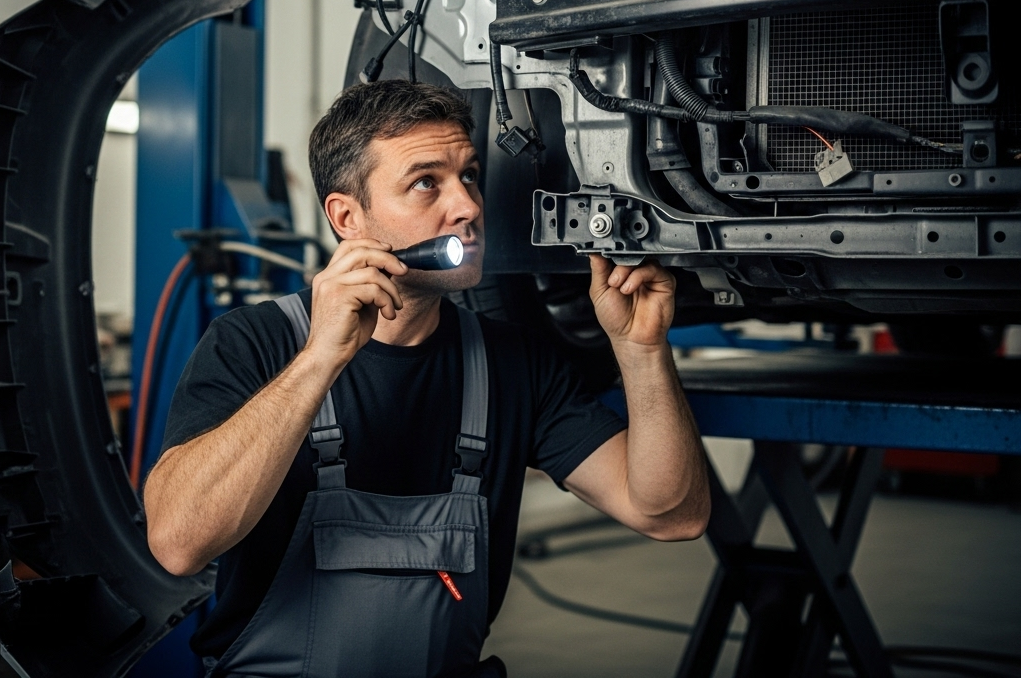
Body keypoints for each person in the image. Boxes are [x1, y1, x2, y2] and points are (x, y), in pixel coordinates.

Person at [144, 80, 710, 678]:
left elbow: (671, 514)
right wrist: (318, 362)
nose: (467, 206)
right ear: (347, 217)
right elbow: (179, 544)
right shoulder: (253, 343)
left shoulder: (510, 364)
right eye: (425, 183)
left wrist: (640, 347)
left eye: (468, 175)